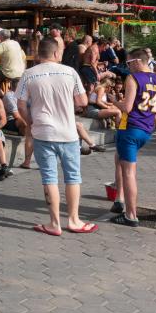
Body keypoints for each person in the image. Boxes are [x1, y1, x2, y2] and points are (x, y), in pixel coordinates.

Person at [17, 38, 96, 236]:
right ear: (55, 53)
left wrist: (30, 122)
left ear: (39, 53)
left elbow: (20, 105)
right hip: (68, 132)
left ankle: (54, 223)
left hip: (43, 132)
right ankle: (74, 220)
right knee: (73, 177)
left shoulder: (28, 74)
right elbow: (83, 100)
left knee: (49, 178)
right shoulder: (70, 72)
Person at [110, 49, 156, 227]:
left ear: (137, 61)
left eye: (128, 63)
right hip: (146, 129)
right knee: (119, 159)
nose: (127, 67)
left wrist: (113, 100)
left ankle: (131, 214)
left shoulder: (133, 78)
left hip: (130, 128)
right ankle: (119, 199)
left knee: (129, 172)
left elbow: (126, 108)